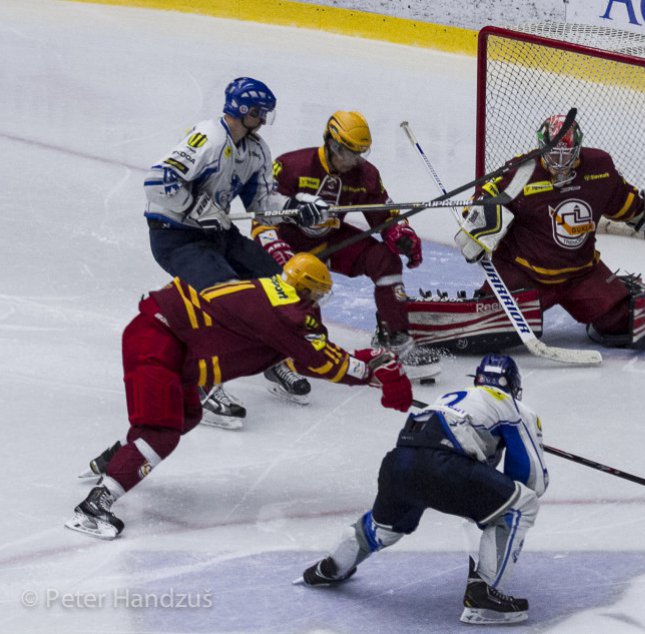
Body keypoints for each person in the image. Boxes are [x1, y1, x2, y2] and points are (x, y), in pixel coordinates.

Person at [66, 253, 413, 540]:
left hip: (171, 343)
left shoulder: (269, 288)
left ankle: (115, 462)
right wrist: (369, 372)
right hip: (158, 343)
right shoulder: (286, 311)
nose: (319, 302)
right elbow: (316, 358)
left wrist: (362, 363)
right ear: (307, 289)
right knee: (161, 432)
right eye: (318, 294)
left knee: (186, 414)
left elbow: (298, 354)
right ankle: (93, 507)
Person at [295, 354, 547, 625]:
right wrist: (500, 494)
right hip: (445, 467)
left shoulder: (451, 397)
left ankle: (329, 568)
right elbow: (530, 478)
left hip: (398, 464)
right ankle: (483, 598)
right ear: (513, 385)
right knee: (520, 505)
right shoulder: (514, 408)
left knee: (383, 528)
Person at [143, 76, 330, 426]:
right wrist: (194, 206)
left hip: (217, 235)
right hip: (176, 236)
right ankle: (201, 385)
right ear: (244, 110)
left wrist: (296, 207)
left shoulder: (256, 150)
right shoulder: (209, 138)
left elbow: (262, 204)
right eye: (260, 113)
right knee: (226, 297)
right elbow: (157, 181)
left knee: (277, 285)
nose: (264, 120)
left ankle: (273, 360)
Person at [454, 114, 645, 350]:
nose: (559, 164)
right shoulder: (521, 172)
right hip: (524, 273)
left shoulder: (600, 168)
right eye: (553, 155)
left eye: (566, 156)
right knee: (488, 330)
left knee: (625, 325)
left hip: (581, 273)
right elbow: (480, 199)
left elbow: (624, 201)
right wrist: (479, 224)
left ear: (578, 149)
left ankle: (620, 289)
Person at [252, 110, 440, 379]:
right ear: (333, 145)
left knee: (384, 260)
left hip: (330, 239)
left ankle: (394, 338)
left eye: (362, 153)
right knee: (302, 305)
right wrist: (273, 247)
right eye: (352, 153)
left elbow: (383, 213)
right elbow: (262, 212)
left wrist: (400, 233)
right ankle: (281, 357)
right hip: (288, 245)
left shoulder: (366, 175)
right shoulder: (291, 166)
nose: (358, 160)